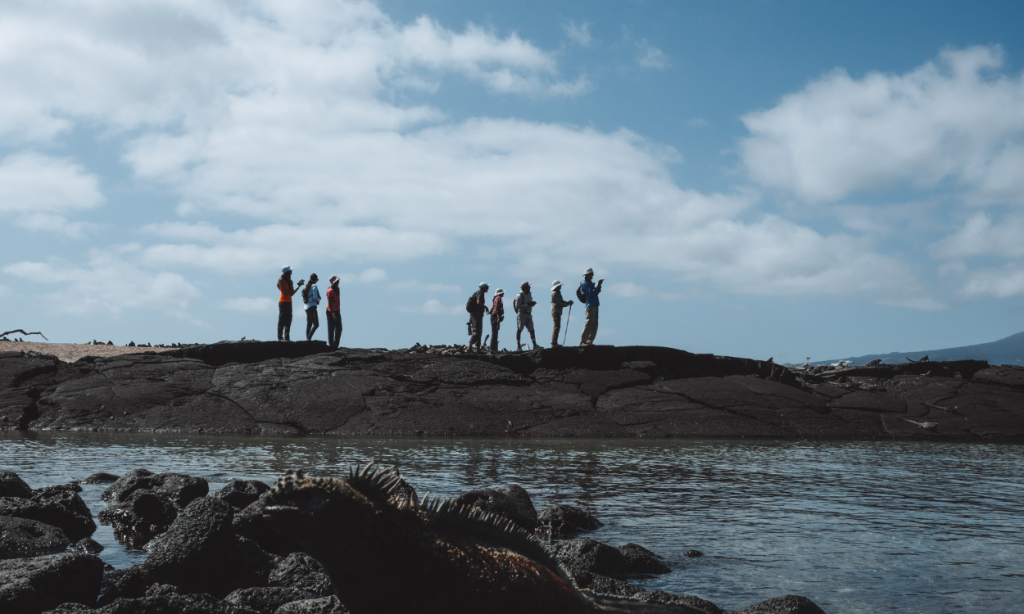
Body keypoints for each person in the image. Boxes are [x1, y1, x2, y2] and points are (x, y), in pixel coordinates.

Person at [277, 266, 305, 341]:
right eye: (290, 271)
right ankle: (280, 337)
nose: (291, 272)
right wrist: (291, 290)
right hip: (283, 301)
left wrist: (298, 286)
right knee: (282, 319)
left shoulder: (290, 281)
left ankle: (287, 336)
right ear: (287, 272)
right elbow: (285, 292)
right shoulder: (281, 280)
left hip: (289, 301)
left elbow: (291, 294)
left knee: (288, 319)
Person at [514, 281, 542, 351]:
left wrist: (531, 304)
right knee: (519, 330)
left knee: (532, 330)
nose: (530, 288)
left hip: (529, 314)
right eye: (528, 287)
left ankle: (535, 345)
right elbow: (517, 306)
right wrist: (527, 304)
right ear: (524, 288)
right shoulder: (520, 295)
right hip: (522, 314)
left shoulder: (529, 294)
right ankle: (518, 346)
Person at [578, 268, 603, 346]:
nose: (592, 275)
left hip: (595, 304)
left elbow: (594, 292)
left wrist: (597, 287)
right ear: (587, 275)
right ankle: (583, 341)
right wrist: (598, 286)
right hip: (590, 305)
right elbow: (591, 293)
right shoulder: (584, 284)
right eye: (591, 274)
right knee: (589, 323)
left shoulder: (590, 283)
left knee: (595, 323)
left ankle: (589, 341)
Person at [465, 283, 489, 352]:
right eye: (487, 287)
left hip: (474, 314)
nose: (488, 289)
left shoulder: (476, 293)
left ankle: (478, 348)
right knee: (477, 330)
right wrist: (485, 307)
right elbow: (478, 302)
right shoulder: (480, 293)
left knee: (479, 330)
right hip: (477, 314)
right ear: (483, 287)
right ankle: (469, 347)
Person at [549, 280, 573, 347]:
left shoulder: (557, 293)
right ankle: (554, 343)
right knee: (556, 327)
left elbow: (561, 301)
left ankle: (554, 342)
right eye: (559, 285)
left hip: (557, 311)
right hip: (555, 311)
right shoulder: (554, 293)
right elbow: (558, 303)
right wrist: (567, 304)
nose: (560, 286)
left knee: (557, 326)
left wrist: (567, 302)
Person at [326, 275, 342, 350]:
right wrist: (333, 314)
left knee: (339, 328)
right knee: (331, 329)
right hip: (331, 311)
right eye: (337, 281)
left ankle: (335, 345)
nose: (338, 282)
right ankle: (331, 346)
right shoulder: (330, 290)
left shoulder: (337, 289)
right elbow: (330, 303)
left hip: (337, 310)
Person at [303, 273, 321, 341]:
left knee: (309, 324)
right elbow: (315, 297)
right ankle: (309, 338)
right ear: (315, 279)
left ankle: (307, 339)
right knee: (316, 324)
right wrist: (319, 299)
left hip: (306, 307)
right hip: (312, 306)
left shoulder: (307, 286)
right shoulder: (314, 286)